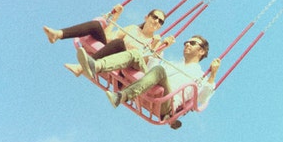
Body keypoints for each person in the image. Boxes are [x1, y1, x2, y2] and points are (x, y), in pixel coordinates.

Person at [79, 34, 219, 125]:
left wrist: (213, 74)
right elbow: (151, 69)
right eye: (186, 42)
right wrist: (157, 50)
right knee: (135, 54)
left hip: (167, 103)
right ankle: (96, 66)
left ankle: (122, 96)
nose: (187, 44)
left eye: (192, 43)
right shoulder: (174, 64)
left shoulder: (199, 75)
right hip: (150, 84)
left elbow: (202, 99)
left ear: (201, 51)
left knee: (160, 70)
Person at [44, 5, 167, 75]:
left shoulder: (156, 42)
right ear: (146, 17)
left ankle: (81, 68)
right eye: (155, 17)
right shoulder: (133, 28)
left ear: (161, 26)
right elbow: (108, 38)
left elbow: (143, 64)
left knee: (119, 44)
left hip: (126, 64)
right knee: (97, 25)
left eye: (160, 21)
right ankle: (58, 34)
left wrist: (154, 45)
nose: (156, 21)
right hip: (113, 49)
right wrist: (116, 17)